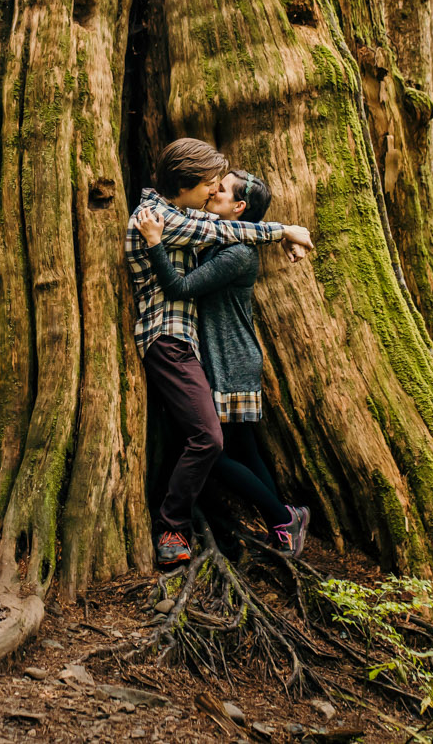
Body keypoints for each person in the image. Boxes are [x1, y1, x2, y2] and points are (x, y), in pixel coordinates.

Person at [126, 137, 313, 568]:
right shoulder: (165, 219)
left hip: (228, 360)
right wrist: (284, 231)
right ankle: (279, 520)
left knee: (226, 447)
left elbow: (213, 242)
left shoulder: (222, 244)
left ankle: (279, 520)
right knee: (224, 446)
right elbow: (210, 230)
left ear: (240, 206)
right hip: (181, 343)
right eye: (211, 184)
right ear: (187, 184)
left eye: (221, 188)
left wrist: (282, 233)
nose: (213, 191)